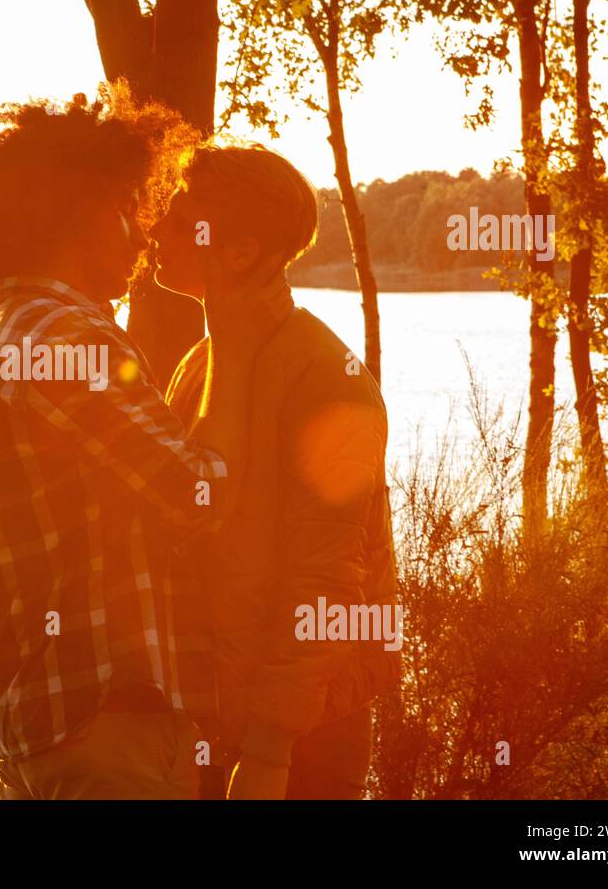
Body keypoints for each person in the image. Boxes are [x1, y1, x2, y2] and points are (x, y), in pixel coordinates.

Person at [0, 93, 286, 798]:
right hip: (107, 736)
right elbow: (198, 495)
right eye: (130, 209)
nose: (144, 235)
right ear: (82, 212)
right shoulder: (71, 343)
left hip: (31, 742)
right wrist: (236, 360)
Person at [150, 144, 401, 800]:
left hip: (301, 737)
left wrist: (269, 748)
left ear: (240, 250)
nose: (156, 229)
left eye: (180, 220)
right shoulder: (201, 365)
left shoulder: (324, 376)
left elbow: (328, 575)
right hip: (216, 721)